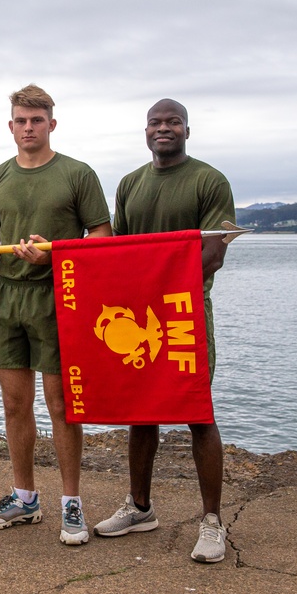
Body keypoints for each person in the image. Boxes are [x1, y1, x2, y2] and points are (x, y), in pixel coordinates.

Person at [94, 98, 235, 563]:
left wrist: (159, 284)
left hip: (187, 311)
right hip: (139, 316)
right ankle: (139, 507)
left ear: (187, 131)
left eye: (173, 121)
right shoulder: (130, 183)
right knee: (141, 410)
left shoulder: (209, 181)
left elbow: (212, 254)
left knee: (198, 412)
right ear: (146, 130)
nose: (164, 128)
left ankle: (212, 521)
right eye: (155, 122)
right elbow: (119, 253)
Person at [0, 84, 111, 545]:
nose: (28, 128)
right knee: (15, 405)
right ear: (10, 126)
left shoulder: (77, 173)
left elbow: (102, 238)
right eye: (20, 120)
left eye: (36, 120)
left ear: (52, 123)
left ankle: (71, 502)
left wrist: (53, 257)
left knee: (62, 407)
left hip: (60, 298)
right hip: (8, 298)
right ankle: (25, 498)